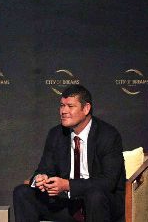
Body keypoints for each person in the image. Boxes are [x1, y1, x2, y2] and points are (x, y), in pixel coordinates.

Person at [13, 85, 125, 222]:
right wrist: (39, 179)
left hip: (100, 204)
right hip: (67, 203)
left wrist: (68, 185)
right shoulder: (56, 134)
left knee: (94, 195)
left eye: (70, 106)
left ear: (86, 108)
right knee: (22, 192)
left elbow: (108, 182)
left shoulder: (108, 135)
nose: (63, 111)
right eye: (61, 105)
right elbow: (43, 170)